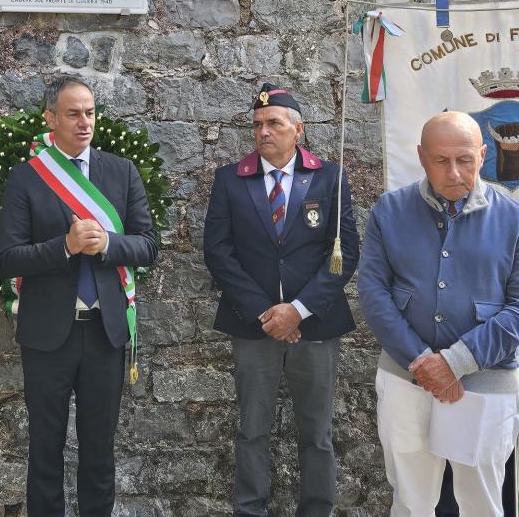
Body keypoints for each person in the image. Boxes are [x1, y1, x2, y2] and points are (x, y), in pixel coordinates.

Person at [0, 75, 158, 517]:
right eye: (73, 113)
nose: (84, 122)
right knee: (45, 451)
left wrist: (108, 244)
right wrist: (64, 247)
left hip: (105, 333)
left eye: (89, 112)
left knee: (100, 453)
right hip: (48, 334)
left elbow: (148, 245)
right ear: (50, 118)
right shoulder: (25, 178)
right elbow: (8, 258)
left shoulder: (121, 171)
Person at [203, 83, 359, 517]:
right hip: (253, 325)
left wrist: (297, 311)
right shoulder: (231, 181)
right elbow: (219, 253)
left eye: (273, 123)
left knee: (317, 431)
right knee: (253, 429)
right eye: (257, 125)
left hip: (316, 324)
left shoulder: (329, 177)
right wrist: (266, 313)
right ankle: (251, 509)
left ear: (298, 129)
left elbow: (344, 253)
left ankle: (317, 509)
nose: (263, 132)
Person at [358, 111, 519, 517]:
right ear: (421, 156)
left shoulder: (513, 216)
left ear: (484, 154)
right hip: (405, 381)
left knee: (482, 503)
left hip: (487, 381)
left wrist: (453, 362)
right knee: (410, 501)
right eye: (440, 160)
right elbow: (373, 293)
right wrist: (420, 361)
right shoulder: (389, 210)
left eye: (465, 159)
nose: (454, 172)